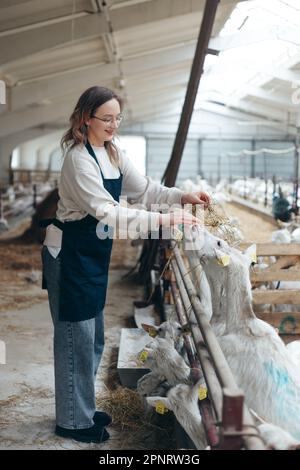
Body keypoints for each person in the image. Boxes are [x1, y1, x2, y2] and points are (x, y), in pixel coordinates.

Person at [41, 85, 210, 444]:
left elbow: (145, 189)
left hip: (91, 254)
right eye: (107, 118)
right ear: (86, 118)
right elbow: (108, 213)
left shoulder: (113, 153)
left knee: (94, 338)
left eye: (118, 117)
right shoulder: (78, 159)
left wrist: (181, 196)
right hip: (70, 255)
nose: (114, 124)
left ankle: (80, 408)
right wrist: (166, 221)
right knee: (75, 339)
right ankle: (72, 421)